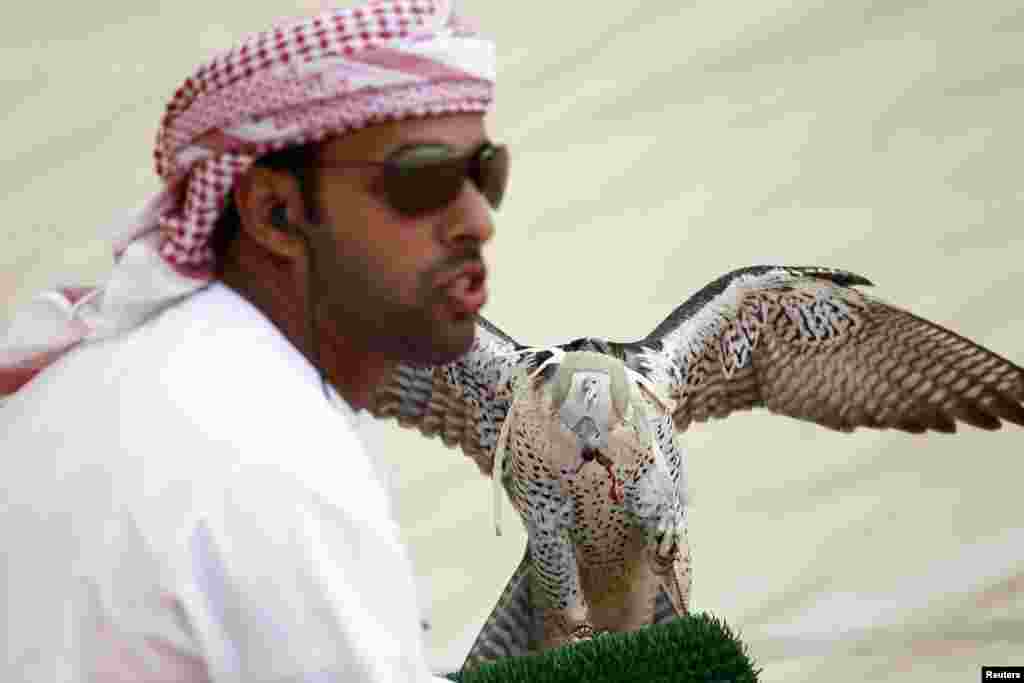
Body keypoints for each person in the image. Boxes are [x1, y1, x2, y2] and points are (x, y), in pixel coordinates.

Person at [0, 1, 507, 681]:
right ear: (275, 213)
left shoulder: (168, 368)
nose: (478, 219)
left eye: (486, 173)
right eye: (423, 181)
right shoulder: (265, 444)